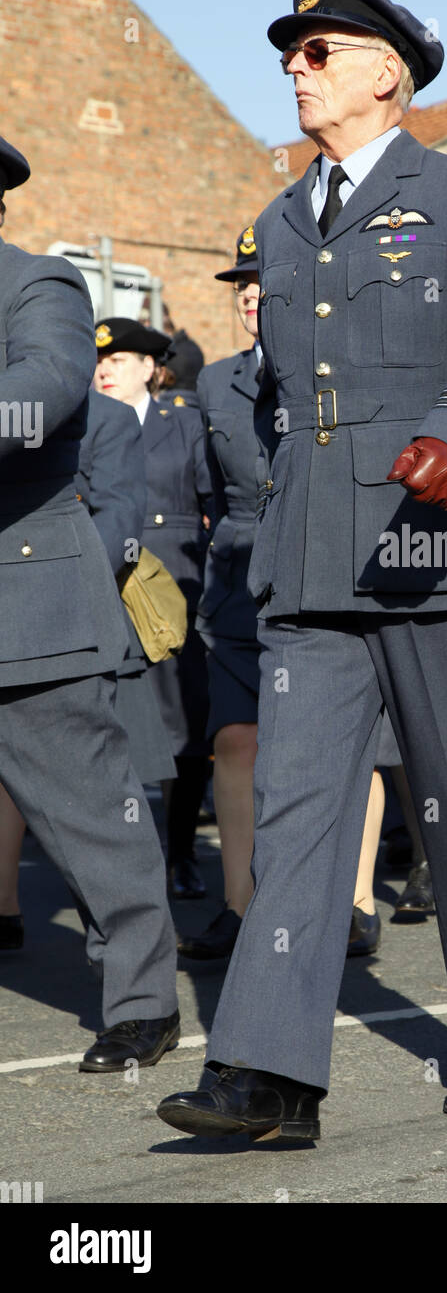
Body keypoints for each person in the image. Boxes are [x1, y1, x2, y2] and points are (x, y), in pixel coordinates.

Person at [157, 0, 447, 1142]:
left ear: (386, 72)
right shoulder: (276, 220)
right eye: (288, 52)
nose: (293, 67)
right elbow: (280, 389)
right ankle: (270, 1076)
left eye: (316, 51)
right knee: (295, 810)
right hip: (313, 554)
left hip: (431, 536)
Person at [0, 133, 179, 1067]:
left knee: (86, 814)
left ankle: (143, 1000)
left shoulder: (38, 287)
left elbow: (44, 389)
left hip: (23, 599)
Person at [185, 228, 391, 960]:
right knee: (237, 743)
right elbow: (210, 487)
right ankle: (241, 903)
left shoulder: (335, 365)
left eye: (260, 281)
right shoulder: (213, 382)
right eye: (240, 286)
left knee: (350, 747)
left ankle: (358, 900)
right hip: (242, 572)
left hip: (329, 556)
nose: (249, 295)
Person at [93, 318, 213, 899]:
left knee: (183, 724)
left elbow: (213, 503)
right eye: (100, 361)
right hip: (104, 588)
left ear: (150, 367)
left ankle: (182, 850)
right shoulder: (78, 425)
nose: (104, 369)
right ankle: (130, 856)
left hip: (172, 590)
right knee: (116, 725)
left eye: (118, 359)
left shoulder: (185, 423)